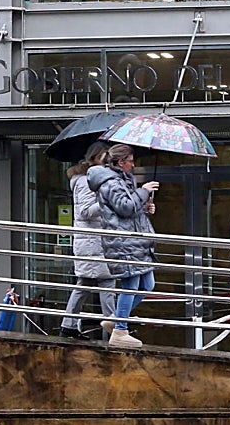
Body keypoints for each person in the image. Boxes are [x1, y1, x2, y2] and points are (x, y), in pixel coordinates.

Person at [88, 143, 159, 350]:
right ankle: (120, 331)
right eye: (130, 161)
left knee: (148, 285)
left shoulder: (123, 180)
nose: (133, 164)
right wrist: (144, 192)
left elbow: (131, 209)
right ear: (120, 162)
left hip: (134, 242)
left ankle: (117, 318)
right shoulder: (110, 182)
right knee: (131, 285)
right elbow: (125, 208)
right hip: (124, 243)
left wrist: (145, 207)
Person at [58, 141, 118, 340]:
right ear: (93, 158)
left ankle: (72, 325)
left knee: (96, 282)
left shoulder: (97, 181)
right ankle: (113, 326)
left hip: (98, 241)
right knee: (96, 282)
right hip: (91, 241)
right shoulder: (85, 182)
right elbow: (85, 212)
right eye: (104, 157)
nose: (107, 161)